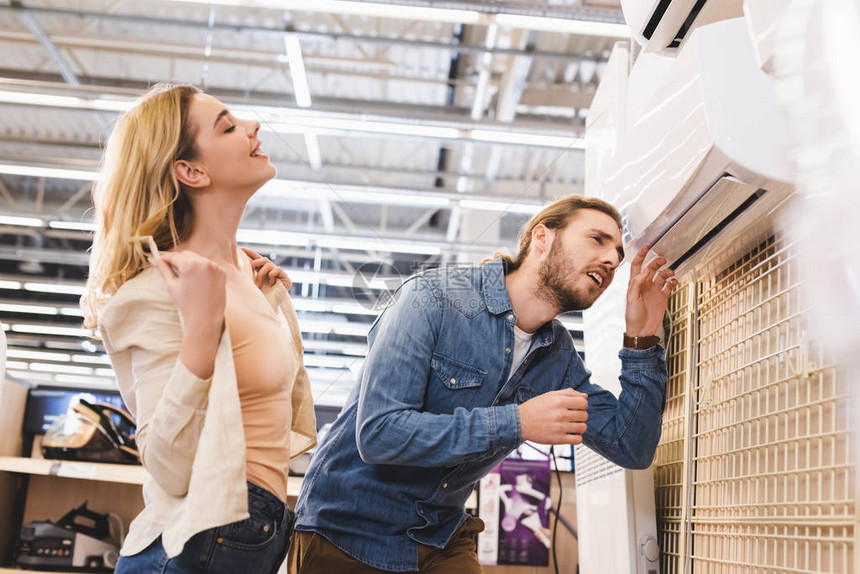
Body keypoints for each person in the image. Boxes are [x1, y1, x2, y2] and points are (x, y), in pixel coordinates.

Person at [290, 195, 678, 573]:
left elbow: (630, 446)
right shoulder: (434, 297)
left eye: (618, 254)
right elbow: (379, 433)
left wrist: (641, 338)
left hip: (439, 537)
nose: (612, 259)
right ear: (542, 239)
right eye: (597, 239)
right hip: (348, 532)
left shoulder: (556, 355)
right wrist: (518, 422)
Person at [81, 83, 316, 573]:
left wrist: (268, 303)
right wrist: (203, 329)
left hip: (253, 537)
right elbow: (167, 465)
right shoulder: (159, 288)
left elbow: (285, 422)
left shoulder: (247, 280)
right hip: (191, 548)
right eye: (228, 127)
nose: (253, 127)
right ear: (190, 171)